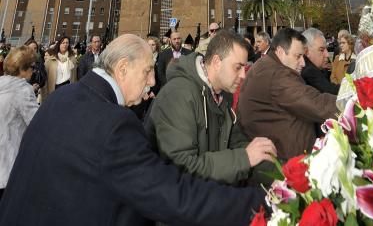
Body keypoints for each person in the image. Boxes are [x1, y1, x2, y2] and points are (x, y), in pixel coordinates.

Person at [0, 34, 265, 226]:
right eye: (148, 71)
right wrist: (261, 204)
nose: (152, 81)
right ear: (123, 68)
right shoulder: (115, 124)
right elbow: (172, 195)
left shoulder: (62, 97)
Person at [146, 30, 276, 185]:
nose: (243, 75)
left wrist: (281, 174)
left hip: (210, 192)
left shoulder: (222, 92)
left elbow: (236, 142)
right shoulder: (177, 95)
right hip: (178, 200)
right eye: (237, 67)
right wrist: (244, 158)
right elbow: (182, 168)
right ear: (216, 62)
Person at [238, 28, 337, 160]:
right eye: (298, 56)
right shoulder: (277, 74)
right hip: (283, 163)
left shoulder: (268, 66)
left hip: (276, 156)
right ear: (280, 51)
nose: (303, 63)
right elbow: (317, 104)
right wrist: (356, 104)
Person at [0, 46, 38, 201]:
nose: (34, 71)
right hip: (9, 163)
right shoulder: (23, 90)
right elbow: (36, 123)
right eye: (32, 67)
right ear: (22, 69)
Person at [301, 28, 339, 95]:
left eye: (326, 49)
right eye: (321, 50)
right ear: (306, 52)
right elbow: (332, 91)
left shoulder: (310, 68)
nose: (327, 54)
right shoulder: (309, 71)